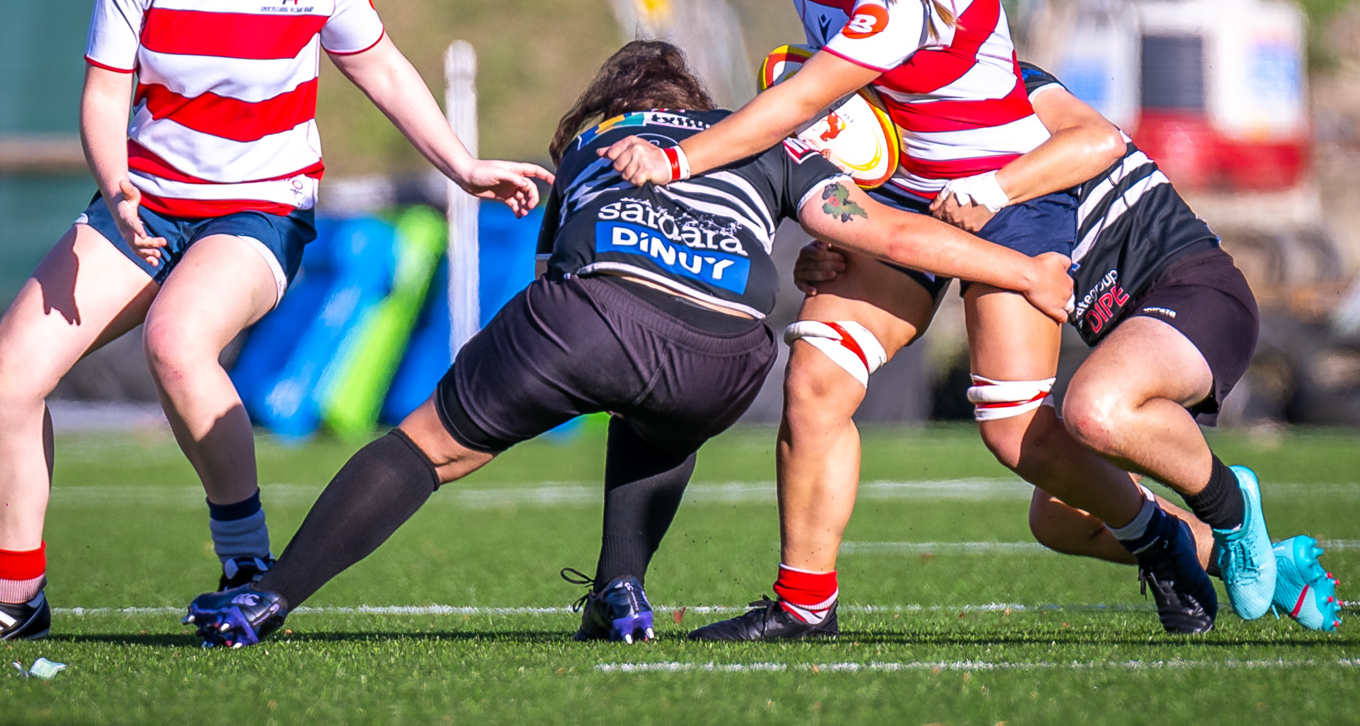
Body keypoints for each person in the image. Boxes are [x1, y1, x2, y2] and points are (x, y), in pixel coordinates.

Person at [0, 0, 550, 644]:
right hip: (142, 207)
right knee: (6, 377)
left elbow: (386, 73)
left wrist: (464, 164)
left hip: (258, 213)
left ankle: (249, 562)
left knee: (180, 340)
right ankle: (12, 595)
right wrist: (117, 184)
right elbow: (104, 97)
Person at [182, 40, 1074, 648]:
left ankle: (269, 593)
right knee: (662, 406)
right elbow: (890, 235)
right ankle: (621, 591)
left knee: (425, 447)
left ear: (610, 104)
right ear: (697, 105)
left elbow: (556, 272)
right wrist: (1024, 270)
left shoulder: (593, 143)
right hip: (729, 354)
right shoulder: (763, 140)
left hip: (592, 314)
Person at [605, 0, 1149, 641]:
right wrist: (832, 220)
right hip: (907, 197)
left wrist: (678, 157)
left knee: (1014, 434)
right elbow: (850, 120)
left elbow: (797, 103)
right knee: (817, 375)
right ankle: (803, 605)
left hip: (1007, 198)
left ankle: (1170, 541)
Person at [790, 61, 1343, 633]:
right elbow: (916, 242)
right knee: (1060, 516)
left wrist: (992, 189)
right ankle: (1260, 564)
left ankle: (1232, 504)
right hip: (1128, 332)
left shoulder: (1007, 86)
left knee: (1093, 409)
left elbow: (1097, 139)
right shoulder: (925, 152)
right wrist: (837, 249)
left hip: (1194, 290)